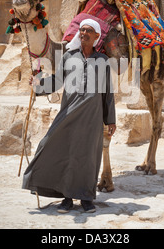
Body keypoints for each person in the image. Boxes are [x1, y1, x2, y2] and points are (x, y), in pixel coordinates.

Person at [22, 19, 116, 214]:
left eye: (88, 31)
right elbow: (56, 82)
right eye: (81, 30)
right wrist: (39, 86)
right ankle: (66, 198)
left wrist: (110, 120)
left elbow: (108, 92)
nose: (83, 34)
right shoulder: (68, 57)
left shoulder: (102, 60)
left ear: (97, 36)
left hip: (92, 116)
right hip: (69, 112)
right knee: (61, 150)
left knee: (89, 157)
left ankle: (87, 199)